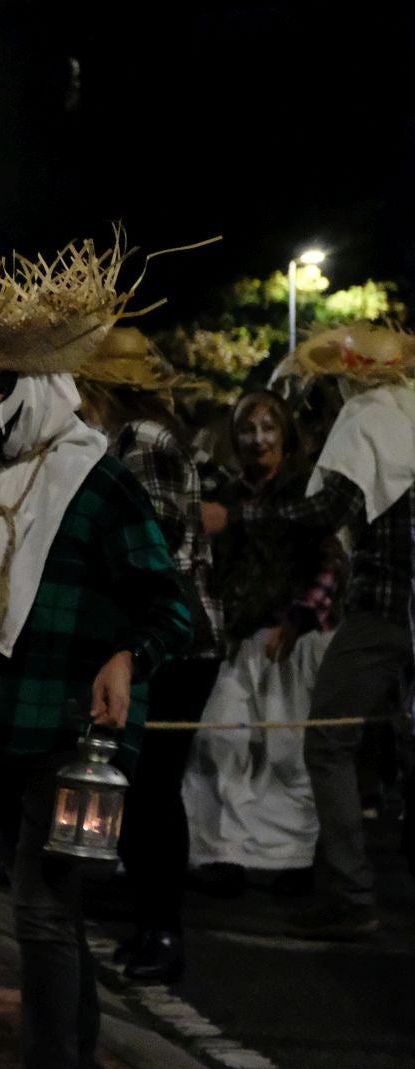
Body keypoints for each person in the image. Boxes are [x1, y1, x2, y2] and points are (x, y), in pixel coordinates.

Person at [0, 239, 192, 1069]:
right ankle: (78, 1062)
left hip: (74, 730)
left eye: (0, 388)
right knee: (51, 916)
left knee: (41, 912)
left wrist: (129, 656)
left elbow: (175, 608)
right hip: (4, 724)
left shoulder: (98, 484)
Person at [203, 323, 415, 941]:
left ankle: (350, 894)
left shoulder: (370, 418)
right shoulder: (407, 413)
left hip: (385, 605)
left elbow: (329, 511)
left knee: (326, 742)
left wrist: (237, 516)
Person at [76, 328, 223, 984]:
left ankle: (164, 930)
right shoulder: (129, 438)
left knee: (154, 789)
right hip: (163, 636)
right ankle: (149, 924)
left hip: (175, 641)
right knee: (139, 788)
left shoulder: (144, 442)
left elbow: (153, 543)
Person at [184, 390, 340, 892]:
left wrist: (296, 620)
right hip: (235, 639)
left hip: (287, 639)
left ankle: (289, 858)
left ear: (286, 433)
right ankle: (221, 851)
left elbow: (330, 561)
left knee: (285, 751)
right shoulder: (225, 494)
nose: (258, 439)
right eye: (248, 429)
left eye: (268, 427)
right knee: (220, 740)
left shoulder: (302, 491)